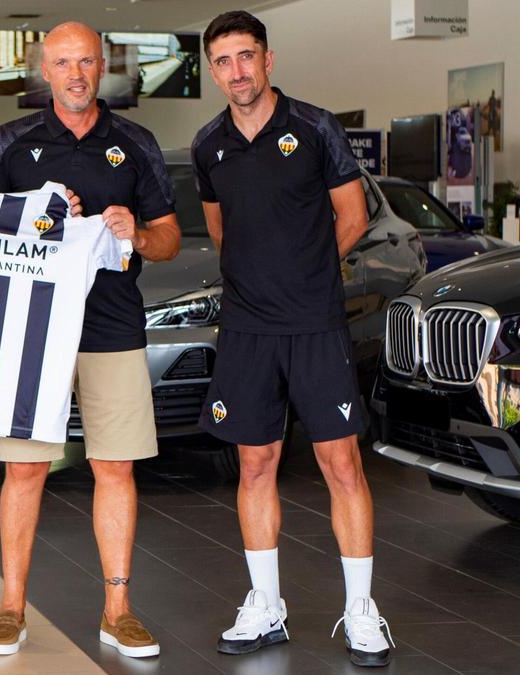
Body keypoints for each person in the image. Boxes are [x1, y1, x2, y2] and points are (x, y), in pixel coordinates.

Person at [191, 10, 393, 668]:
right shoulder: (208, 143)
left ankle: (362, 612)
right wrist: (262, 277)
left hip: (314, 323)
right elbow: (222, 232)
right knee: (255, 465)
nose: (237, 71)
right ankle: (265, 605)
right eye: (223, 61)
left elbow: (354, 214)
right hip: (248, 328)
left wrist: (304, 272)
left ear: (268, 60)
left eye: (246, 56)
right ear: (214, 70)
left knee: (341, 465)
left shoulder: (313, 127)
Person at [0, 21, 180, 659]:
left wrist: (136, 232)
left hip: (113, 325)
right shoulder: (12, 141)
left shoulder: (135, 142)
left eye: (85, 61)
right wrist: (31, 216)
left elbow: (168, 237)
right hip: (33, 326)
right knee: (25, 467)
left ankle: (118, 610)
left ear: (101, 67)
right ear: (45, 69)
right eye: (62, 62)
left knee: (114, 466)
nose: (74, 73)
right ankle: (11, 607)